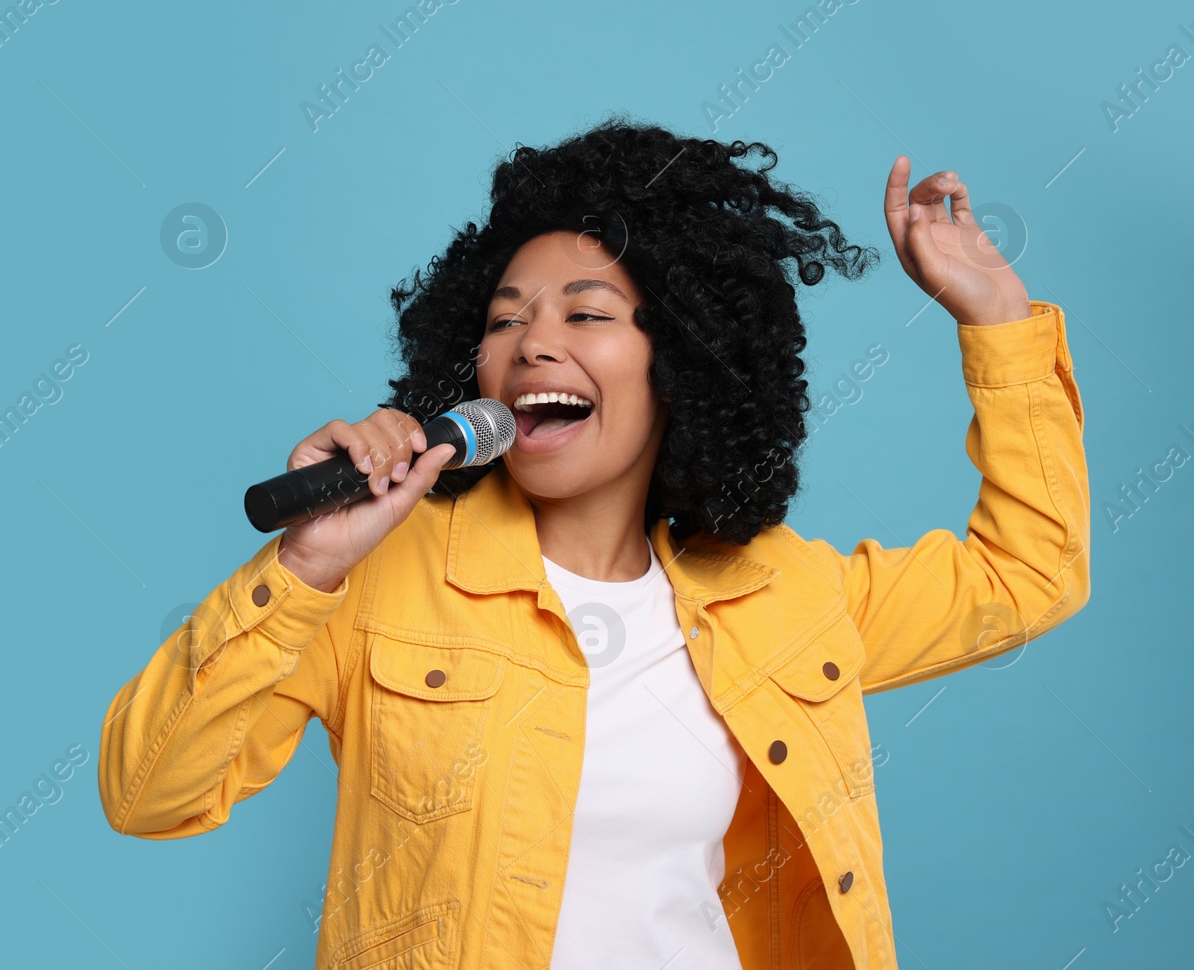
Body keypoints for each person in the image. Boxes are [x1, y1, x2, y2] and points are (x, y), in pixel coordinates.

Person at [96, 115, 1089, 970]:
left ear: (682, 359)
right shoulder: (374, 580)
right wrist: (307, 563)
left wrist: (999, 322)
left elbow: (1026, 571)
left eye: (586, 312)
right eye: (504, 319)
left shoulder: (781, 595)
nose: (532, 342)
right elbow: (149, 792)